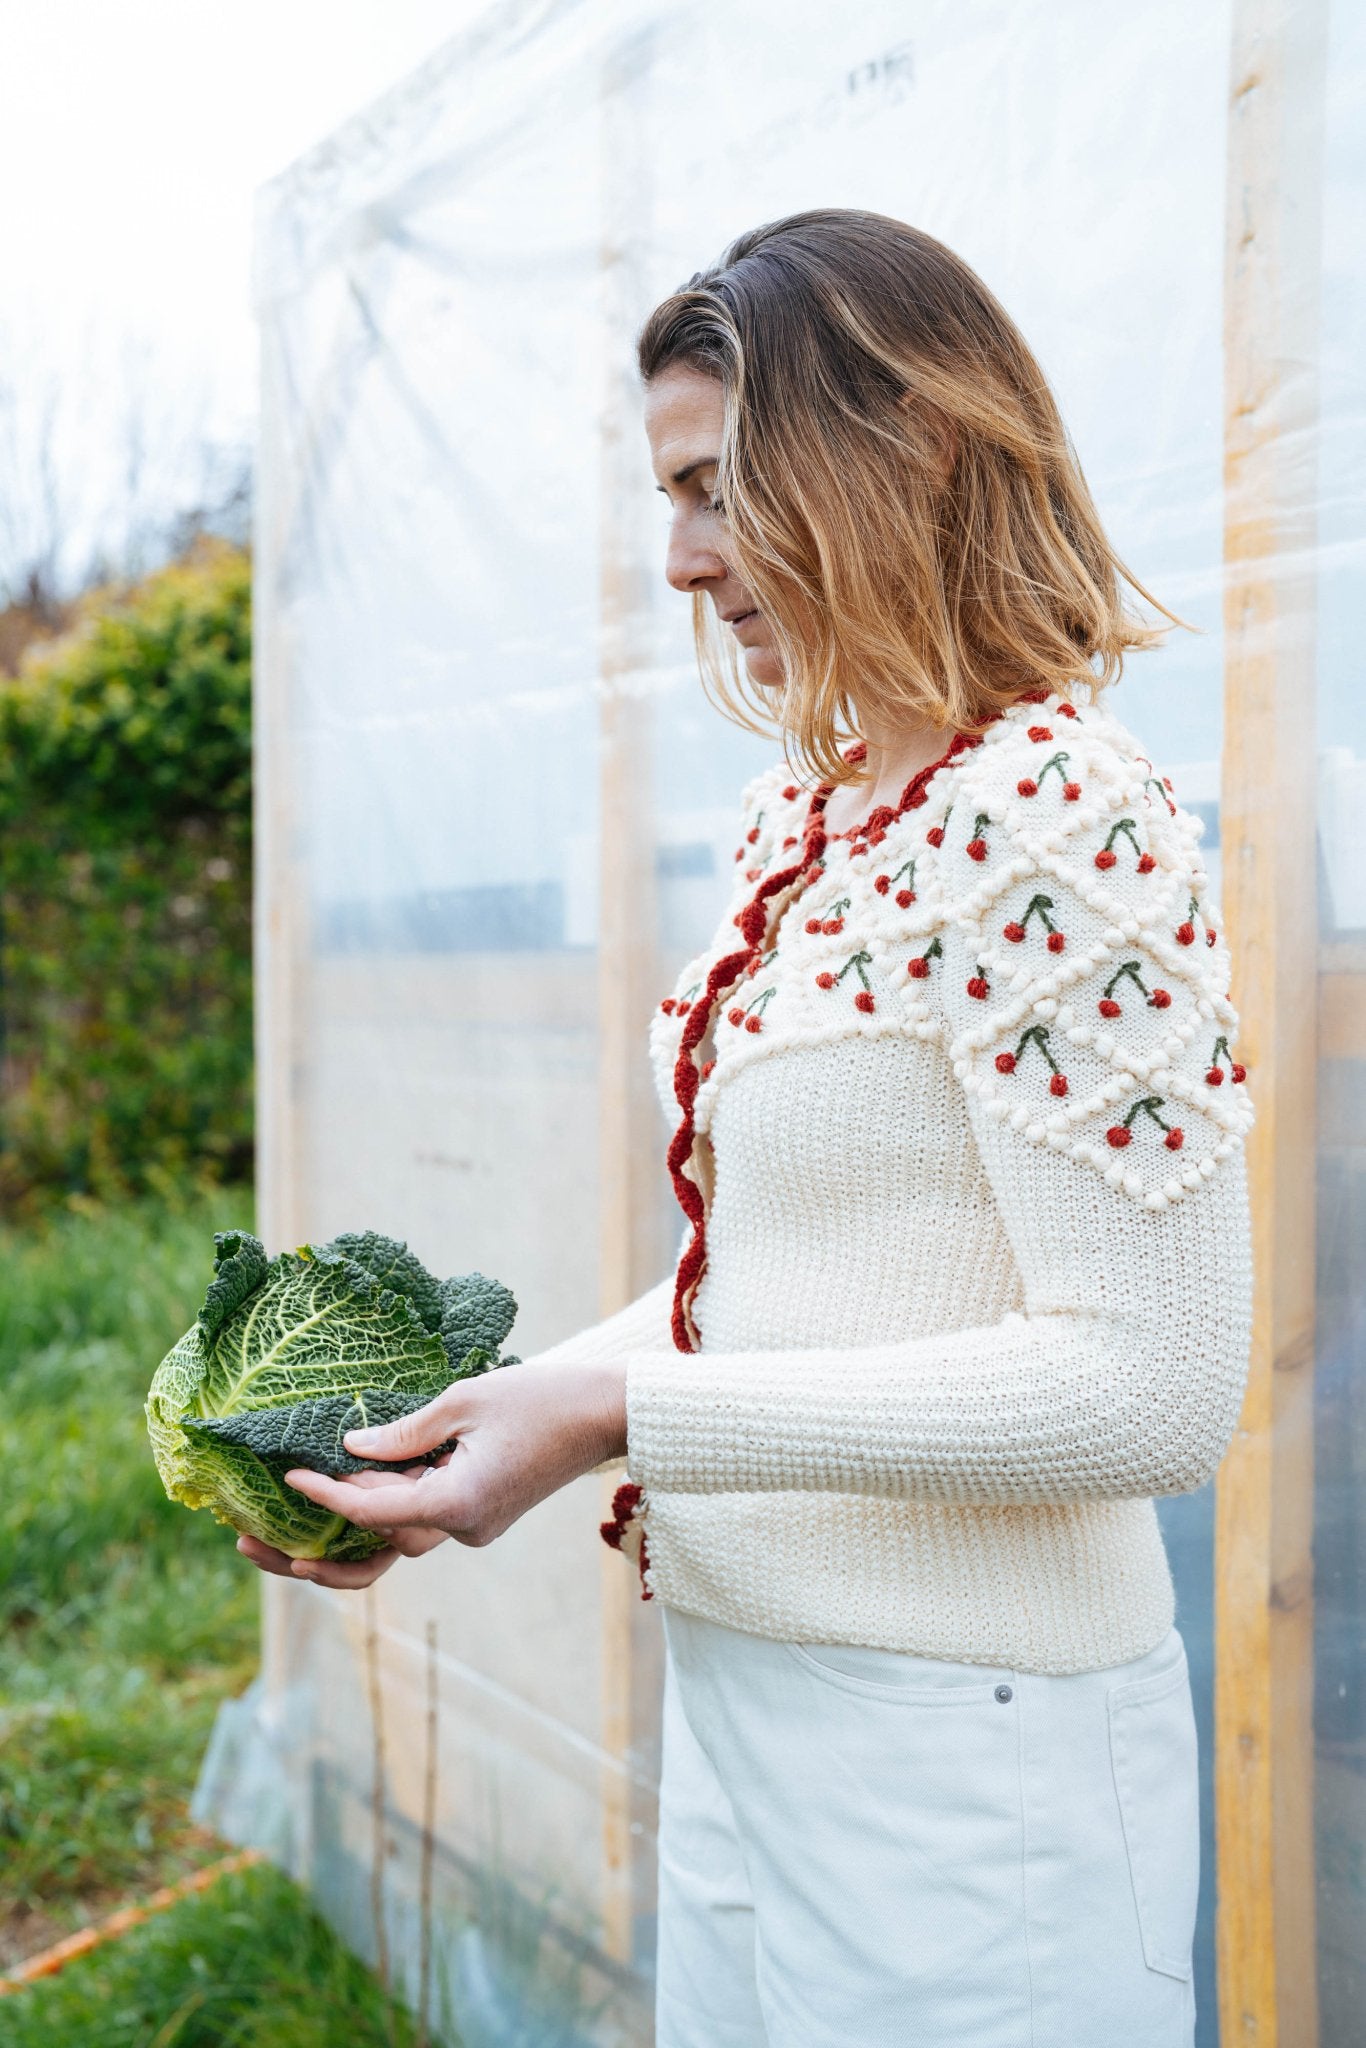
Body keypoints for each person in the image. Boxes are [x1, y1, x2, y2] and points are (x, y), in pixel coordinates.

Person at [240, 210, 1254, 2046]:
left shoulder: (1061, 813)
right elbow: (791, 1284)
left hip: (974, 1764)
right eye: (668, 500)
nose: (685, 562)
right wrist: (498, 1431)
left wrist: (611, 1412)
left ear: (919, 444)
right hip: (751, 1704)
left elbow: (1154, 1386)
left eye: (716, 488)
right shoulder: (816, 819)